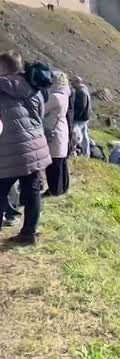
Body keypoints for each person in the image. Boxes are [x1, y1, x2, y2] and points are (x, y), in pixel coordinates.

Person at [0, 51, 52, 245]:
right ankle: (29, 235)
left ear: (4, 67)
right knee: (32, 193)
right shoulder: (34, 87)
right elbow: (40, 116)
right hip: (36, 150)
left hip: (10, 151)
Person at [42, 71, 71, 197]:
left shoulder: (54, 97)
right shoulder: (65, 94)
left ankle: (55, 189)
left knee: (53, 163)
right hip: (60, 129)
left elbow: (42, 109)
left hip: (53, 131)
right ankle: (62, 187)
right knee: (60, 161)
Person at [71, 76, 92, 156]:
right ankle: (86, 152)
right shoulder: (85, 90)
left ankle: (75, 150)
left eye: (73, 82)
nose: (71, 84)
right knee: (84, 135)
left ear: (77, 82)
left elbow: (81, 106)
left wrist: (75, 117)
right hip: (85, 116)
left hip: (80, 118)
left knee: (76, 135)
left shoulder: (81, 92)